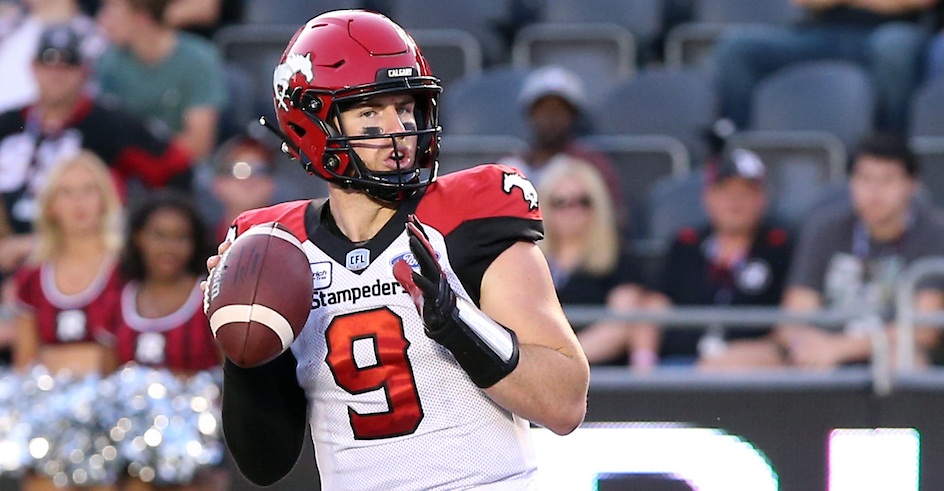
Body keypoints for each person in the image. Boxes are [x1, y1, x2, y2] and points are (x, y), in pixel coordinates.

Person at [204, 10, 589, 489]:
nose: (399, 129)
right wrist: (244, 347)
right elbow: (266, 464)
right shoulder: (277, 248)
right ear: (312, 124)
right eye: (369, 111)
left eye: (405, 107)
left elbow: (564, 403)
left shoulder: (467, 218)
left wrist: (459, 323)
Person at [0, 22, 192, 272]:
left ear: (84, 71)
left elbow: (176, 167)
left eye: (68, 65)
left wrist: (137, 232)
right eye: (48, 64)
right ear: (33, 67)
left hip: (84, 260)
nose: (56, 74)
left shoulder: (109, 124)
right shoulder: (8, 124)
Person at [771, 132, 944, 369]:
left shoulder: (933, 233)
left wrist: (841, 347)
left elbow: (925, 330)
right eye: (865, 178)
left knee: (904, 362)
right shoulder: (824, 228)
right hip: (823, 355)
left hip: (888, 354)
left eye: (887, 180)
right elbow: (793, 319)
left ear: (912, 185)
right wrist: (805, 346)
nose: (874, 191)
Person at [638, 148, 794, 369]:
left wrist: (750, 355)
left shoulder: (780, 247)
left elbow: (792, 322)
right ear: (708, 197)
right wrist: (644, 360)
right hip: (679, 364)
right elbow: (655, 305)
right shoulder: (686, 244)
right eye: (725, 191)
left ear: (762, 199)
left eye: (746, 192)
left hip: (751, 369)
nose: (735, 202)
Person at [113, 190, 225, 491]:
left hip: (196, 448)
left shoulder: (211, 295)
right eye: (159, 235)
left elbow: (229, 374)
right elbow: (108, 374)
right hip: (130, 445)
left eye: (181, 237)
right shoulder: (119, 297)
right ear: (139, 238)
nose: (169, 247)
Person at [714, 0, 938, 132]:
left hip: (890, 31)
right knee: (736, 48)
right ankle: (740, 145)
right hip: (819, 34)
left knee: (893, 49)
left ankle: (888, 152)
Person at [9, 149, 123, 376]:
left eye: (88, 190)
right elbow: (24, 363)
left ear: (104, 200)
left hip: (112, 392)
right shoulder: (31, 277)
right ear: (50, 206)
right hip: (47, 392)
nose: (78, 202)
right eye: (66, 192)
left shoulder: (126, 271)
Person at [535, 155, 649, 367]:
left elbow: (619, 327)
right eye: (560, 202)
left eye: (582, 201)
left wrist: (561, 361)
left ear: (598, 204)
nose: (572, 210)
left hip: (600, 374)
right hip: (536, 371)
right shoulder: (528, 258)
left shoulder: (619, 257)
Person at [95, 0, 227, 161]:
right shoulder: (108, 62)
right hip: (127, 166)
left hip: (181, 166)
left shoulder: (199, 59)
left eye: (111, 13)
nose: (102, 21)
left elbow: (199, 145)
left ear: (141, 18)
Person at [498, 65, 624, 214]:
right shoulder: (509, 165)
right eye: (543, 109)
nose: (550, 117)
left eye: (559, 110)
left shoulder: (593, 165)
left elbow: (614, 217)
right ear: (530, 114)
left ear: (574, 116)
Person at [206, 132, 277, 243]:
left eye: (260, 169)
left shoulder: (293, 243)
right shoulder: (200, 243)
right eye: (240, 170)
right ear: (218, 183)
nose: (251, 179)